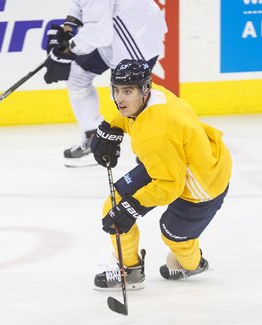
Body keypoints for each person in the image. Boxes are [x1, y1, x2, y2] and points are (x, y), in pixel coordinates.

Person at [90, 59, 232, 290]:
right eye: (116, 90)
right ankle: (130, 270)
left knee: (173, 236)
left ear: (144, 89)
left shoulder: (157, 133)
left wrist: (132, 206)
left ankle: (194, 264)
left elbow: (169, 185)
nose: (120, 98)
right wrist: (111, 127)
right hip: (173, 161)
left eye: (128, 91)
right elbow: (129, 117)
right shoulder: (155, 95)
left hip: (203, 183)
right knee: (113, 205)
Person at [43, 0, 167, 166]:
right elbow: (81, 5)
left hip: (134, 33)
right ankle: (94, 139)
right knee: (77, 75)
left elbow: (98, 33)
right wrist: (68, 29)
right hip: (113, 30)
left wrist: (67, 51)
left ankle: (156, 149)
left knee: (129, 94)